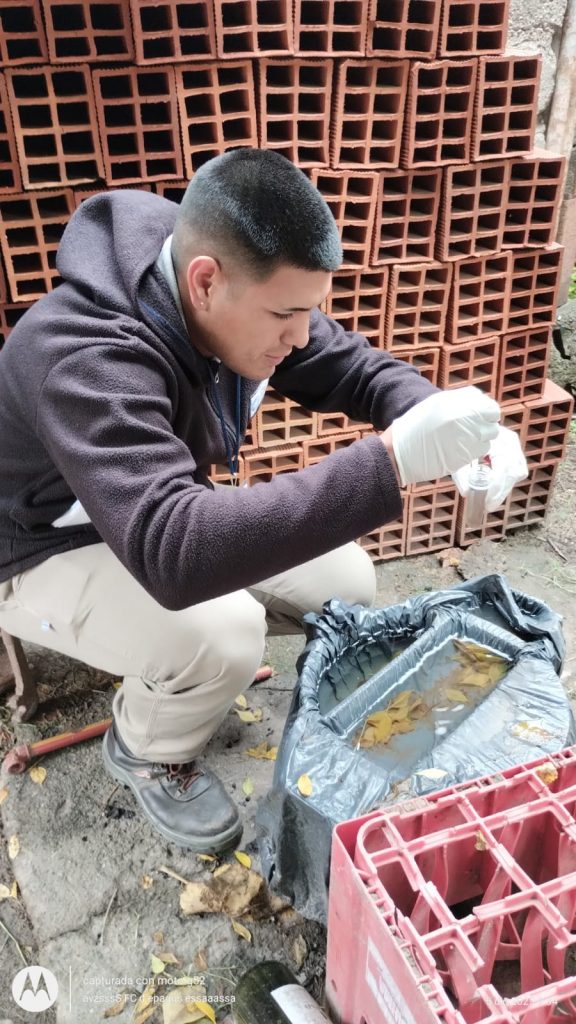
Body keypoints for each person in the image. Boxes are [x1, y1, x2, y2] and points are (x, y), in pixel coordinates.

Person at [0, 148, 525, 853]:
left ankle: (203, 683)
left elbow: (351, 367)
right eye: (286, 314)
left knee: (346, 581)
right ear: (205, 282)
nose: (300, 335)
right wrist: (392, 461)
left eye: (309, 310)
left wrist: (447, 421)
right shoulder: (82, 356)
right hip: (38, 543)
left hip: (144, 503)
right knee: (223, 635)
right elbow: (175, 554)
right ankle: (147, 747)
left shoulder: (235, 283)